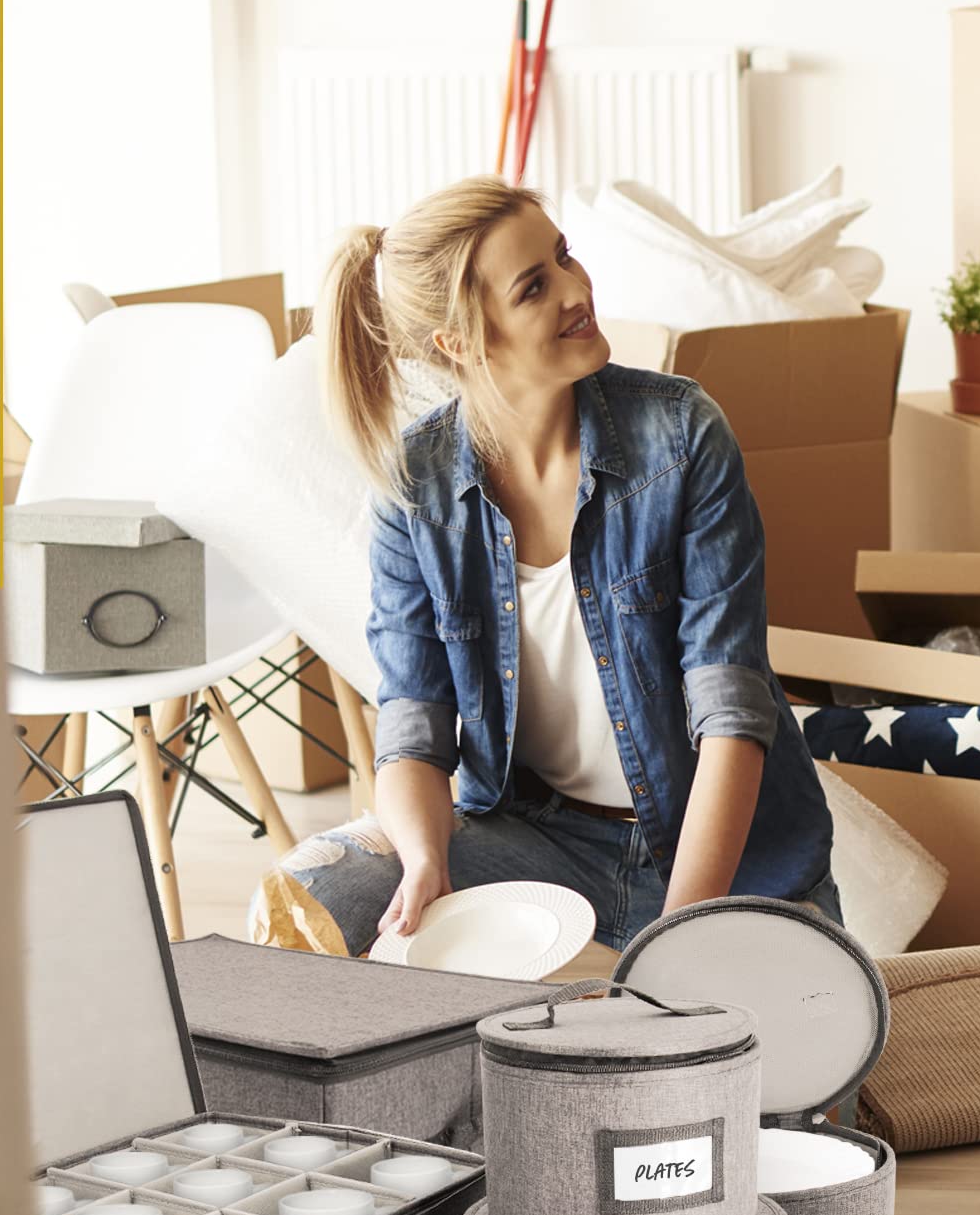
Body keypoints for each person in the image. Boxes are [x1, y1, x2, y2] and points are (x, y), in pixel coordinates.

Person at [275, 174, 841, 958]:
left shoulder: (681, 435)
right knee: (315, 890)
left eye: (565, 257)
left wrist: (677, 943)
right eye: (535, 286)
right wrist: (428, 863)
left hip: (732, 859)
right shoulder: (416, 488)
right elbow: (414, 725)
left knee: (764, 1035)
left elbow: (731, 714)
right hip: (544, 844)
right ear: (460, 343)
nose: (578, 290)